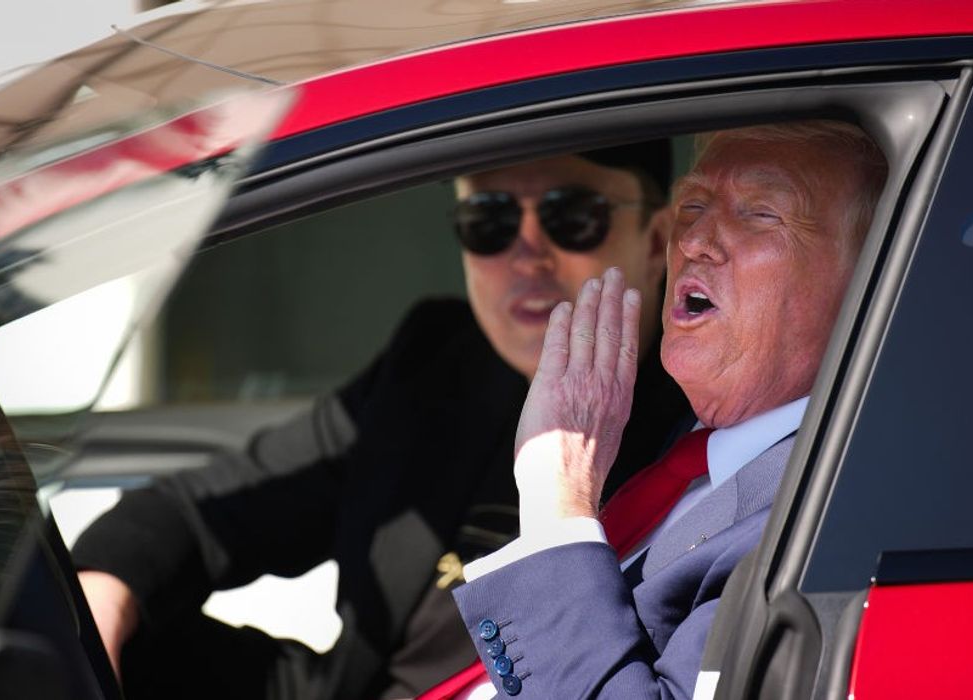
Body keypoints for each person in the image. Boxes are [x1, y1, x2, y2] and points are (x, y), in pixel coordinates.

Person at [70, 142, 692, 699]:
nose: (527, 253)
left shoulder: (703, 424)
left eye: (571, 215)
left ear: (657, 238)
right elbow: (204, 511)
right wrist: (101, 593)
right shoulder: (436, 363)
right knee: (60, 632)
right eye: (489, 220)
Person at [448, 120, 887, 698]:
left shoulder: (826, 514)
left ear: (870, 276)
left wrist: (557, 502)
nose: (693, 242)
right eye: (693, 206)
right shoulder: (684, 444)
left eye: (759, 213)